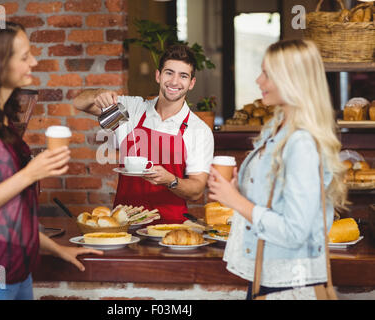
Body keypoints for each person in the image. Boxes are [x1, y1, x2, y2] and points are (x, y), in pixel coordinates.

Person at [0, 20, 102, 300]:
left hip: (20, 275)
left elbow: (12, 213)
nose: (35, 61)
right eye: (25, 56)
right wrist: (30, 174)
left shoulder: (3, 120)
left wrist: (57, 249)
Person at [207, 39, 347, 299]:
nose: (259, 80)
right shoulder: (277, 129)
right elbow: (274, 200)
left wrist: (236, 201)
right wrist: (237, 190)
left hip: (290, 283)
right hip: (268, 274)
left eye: (267, 74)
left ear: (292, 79)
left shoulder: (302, 142)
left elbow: (295, 231)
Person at [73, 45, 214, 224]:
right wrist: (98, 94)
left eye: (183, 76)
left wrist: (170, 180)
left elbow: (196, 190)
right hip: (124, 225)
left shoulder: (198, 130)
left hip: (170, 229)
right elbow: (79, 103)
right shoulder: (131, 110)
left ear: (191, 83)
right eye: (169, 73)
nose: (174, 81)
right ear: (158, 76)